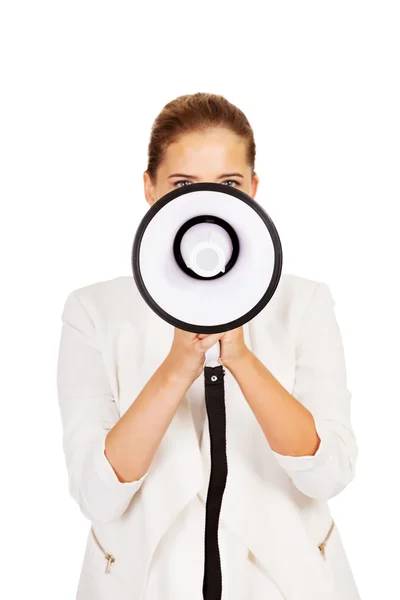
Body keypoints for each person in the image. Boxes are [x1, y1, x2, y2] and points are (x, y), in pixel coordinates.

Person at [57, 92, 361, 600]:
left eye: (228, 185)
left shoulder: (304, 302)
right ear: (149, 188)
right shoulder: (93, 311)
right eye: (181, 185)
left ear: (254, 190)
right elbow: (98, 494)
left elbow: (328, 474)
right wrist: (179, 364)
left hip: (285, 582)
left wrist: (239, 357)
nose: (206, 204)